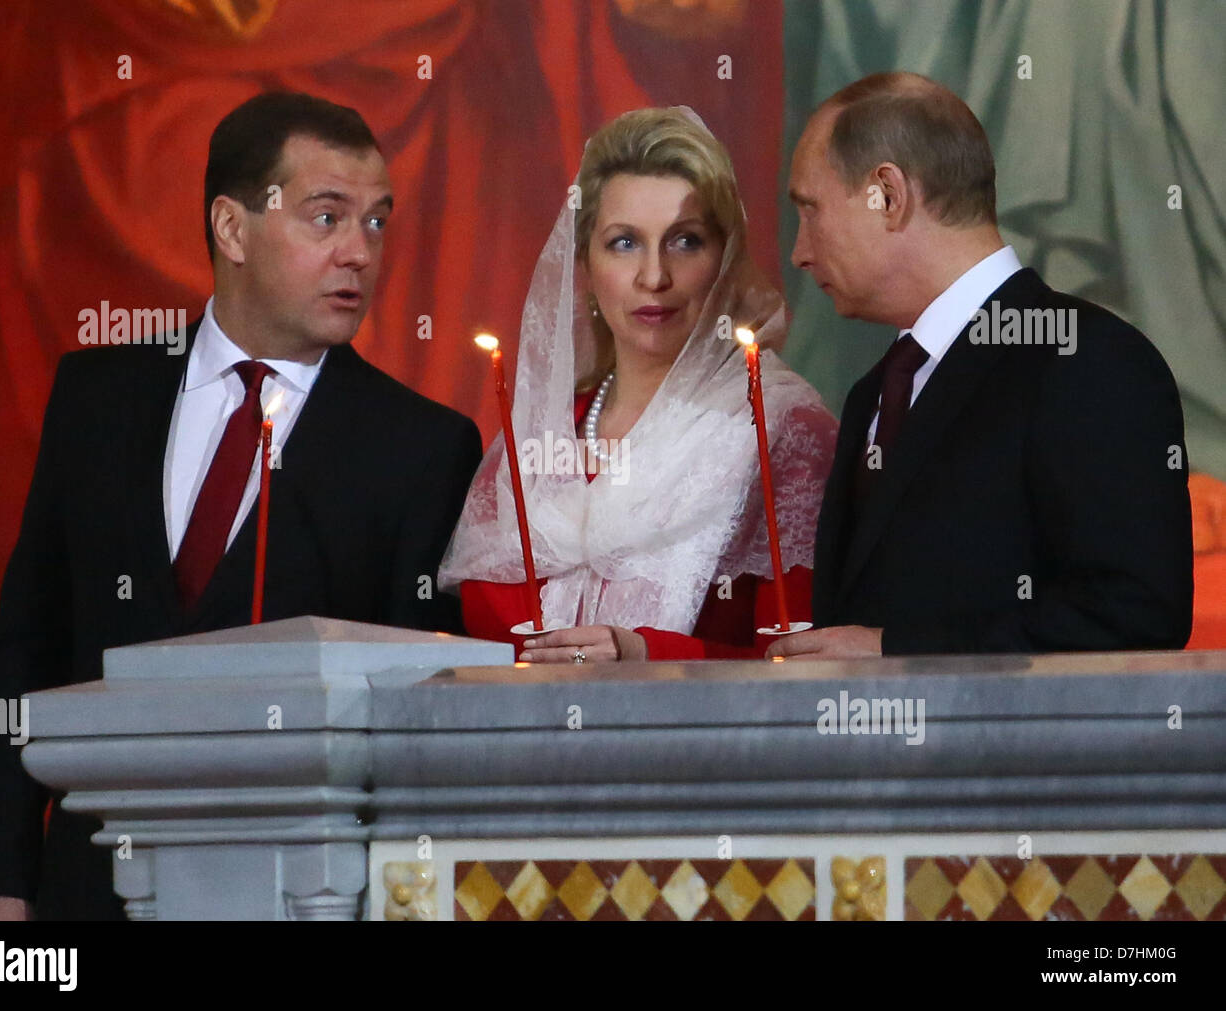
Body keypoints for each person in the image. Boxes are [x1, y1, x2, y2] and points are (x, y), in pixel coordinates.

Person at [0, 92, 482, 920]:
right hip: (85, 895)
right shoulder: (97, 400)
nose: (359, 253)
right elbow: (26, 648)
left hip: (300, 897)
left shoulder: (423, 448)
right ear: (232, 229)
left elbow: (415, 720)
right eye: (326, 217)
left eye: (376, 223)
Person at [769, 71, 1193, 660]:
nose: (799, 250)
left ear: (887, 195)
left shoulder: (1087, 360)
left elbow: (1135, 614)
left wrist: (898, 650)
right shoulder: (876, 391)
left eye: (810, 210)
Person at [438, 107, 838, 662]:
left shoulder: (781, 430)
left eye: (685, 241)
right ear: (586, 263)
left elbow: (809, 671)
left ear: (724, 259)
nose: (655, 276)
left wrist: (648, 656)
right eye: (624, 243)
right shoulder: (535, 439)